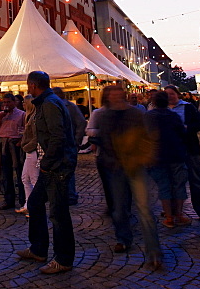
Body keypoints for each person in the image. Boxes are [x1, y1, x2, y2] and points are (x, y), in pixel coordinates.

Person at [16, 70, 77, 275]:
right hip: (50, 165)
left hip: (56, 166)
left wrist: (47, 162)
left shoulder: (49, 104)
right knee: (34, 203)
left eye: (28, 85)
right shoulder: (46, 102)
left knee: (59, 214)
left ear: (33, 85)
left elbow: (57, 137)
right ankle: (38, 249)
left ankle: (63, 259)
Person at [96, 84, 162, 270]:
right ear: (108, 98)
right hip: (115, 168)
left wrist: (144, 156)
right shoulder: (105, 116)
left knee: (144, 209)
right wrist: (110, 161)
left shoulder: (136, 114)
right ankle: (123, 239)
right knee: (118, 208)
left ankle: (153, 251)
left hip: (135, 166)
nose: (116, 98)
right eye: (113, 96)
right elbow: (104, 141)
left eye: (119, 95)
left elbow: (148, 137)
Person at [165, 85, 200, 221]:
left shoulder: (188, 107)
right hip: (172, 150)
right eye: (167, 94)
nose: (170, 96)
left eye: (172, 94)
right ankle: (173, 211)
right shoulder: (162, 109)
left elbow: (199, 124)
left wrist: (187, 128)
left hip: (189, 148)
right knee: (173, 180)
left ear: (177, 94)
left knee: (195, 179)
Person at [146, 91, 188, 229]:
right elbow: (183, 133)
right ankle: (179, 214)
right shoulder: (174, 116)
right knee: (178, 185)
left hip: (157, 156)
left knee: (164, 186)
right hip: (176, 154)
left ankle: (169, 217)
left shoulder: (148, 117)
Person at [0, 92, 26, 211]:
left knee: (20, 173)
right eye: (4, 102)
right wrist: (0, 118)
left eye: (8, 102)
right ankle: (9, 200)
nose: (6, 104)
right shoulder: (0, 115)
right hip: (3, 143)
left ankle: (22, 200)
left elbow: (25, 130)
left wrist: (20, 140)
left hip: (15, 143)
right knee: (6, 173)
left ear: (14, 102)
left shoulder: (21, 114)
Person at [52, 87, 86, 205]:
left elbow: (81, 123)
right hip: (59, 144)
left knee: (68, 170)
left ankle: (70, 195)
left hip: (68, 144)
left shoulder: (70, 107)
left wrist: (76, 141)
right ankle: (63, 194)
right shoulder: (54, 106)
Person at [86, 88, 114, 216]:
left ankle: (124, 206)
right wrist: (103, 132)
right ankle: (112, 205)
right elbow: (89, 130)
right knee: (108, 183)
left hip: (125, 155)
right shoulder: (98, 113)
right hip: (104, 153)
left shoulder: (126, 112)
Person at [19, 95, 39, 215]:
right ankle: (29, 204)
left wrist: (26, 146)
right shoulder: (30, 117)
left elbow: (36, 137)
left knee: (33, 179)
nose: (23, 105)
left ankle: (34, 205)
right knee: (25, 178)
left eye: (24, 103)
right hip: (29, 151)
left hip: (32, 151)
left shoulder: (33, 118)